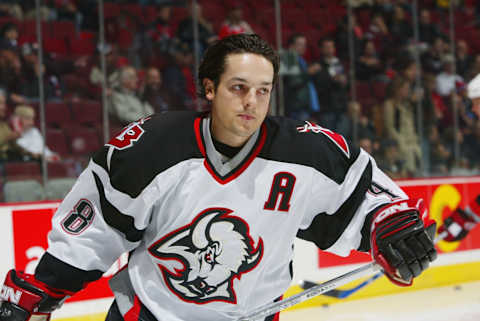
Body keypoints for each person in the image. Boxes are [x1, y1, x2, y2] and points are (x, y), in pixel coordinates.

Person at [0, 34, 437, 321]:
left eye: (263, 90)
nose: (252, 101)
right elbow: (96, 226)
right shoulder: (155, 145)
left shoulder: (307, 151)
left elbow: (368, 200)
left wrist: (388, 226)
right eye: (238, 87)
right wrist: (46, 286)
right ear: (209, 88)